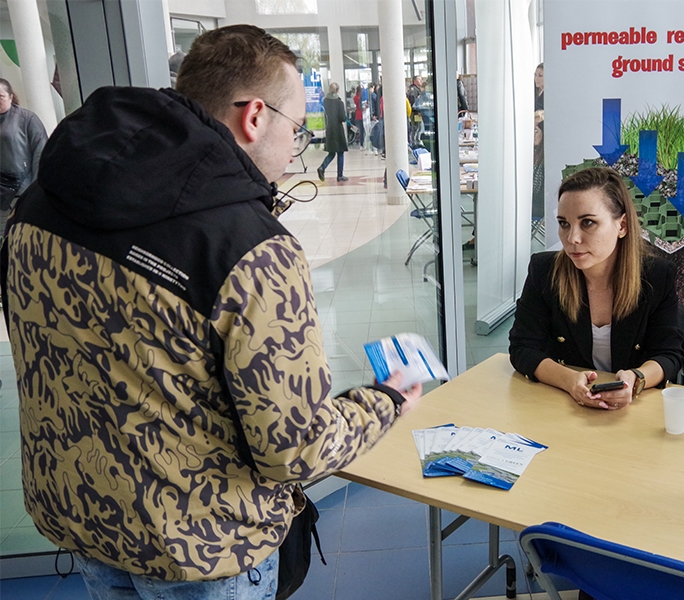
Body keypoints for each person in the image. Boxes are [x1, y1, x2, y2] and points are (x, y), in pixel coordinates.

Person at [1, 24, 421, 599]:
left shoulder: (40, 203)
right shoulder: (248, 248)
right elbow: (295, 449)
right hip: (202, 543)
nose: (297, 146)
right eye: (297, 127)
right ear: (254, 116)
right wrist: (385, 401)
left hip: (84, 514)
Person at [508, 167, 683, 410]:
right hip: (561, 408)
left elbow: (669, 355)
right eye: (564, 224)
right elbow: (522, 348)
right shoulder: (544, 271)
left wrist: (636, 379)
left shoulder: (656, 276)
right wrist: (569, 380)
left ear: (622, 226)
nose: (572, 239)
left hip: (635, 414)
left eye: (588, 222)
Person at [0, 78, 47, 233]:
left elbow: (41, 152)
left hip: (23, 190)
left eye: (0, 97)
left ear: (11, 97)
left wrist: (34, 189)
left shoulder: (27, 119)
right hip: (2, 194)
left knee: (26, 234)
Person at [317, 82, 349, 182]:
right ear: (338, 90)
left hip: (329, 129)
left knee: (332, 152)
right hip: (338, 130)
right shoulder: (339, 103)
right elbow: (342, 118)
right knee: (340, 152)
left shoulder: (325, 101)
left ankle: (322, 167)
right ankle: (340, 175)